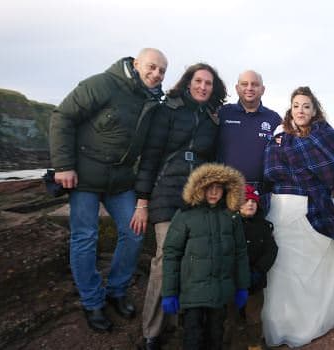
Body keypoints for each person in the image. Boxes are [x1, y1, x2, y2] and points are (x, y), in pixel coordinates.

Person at [49, 48, 168, 332]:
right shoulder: (102, 83)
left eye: (162, 70)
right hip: (85, 178)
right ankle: (92, 302)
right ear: (136, 64)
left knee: (133, 232)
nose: (156, 74)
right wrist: (63, 165)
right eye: (151, 67)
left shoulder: (153, 101)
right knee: (85, 237)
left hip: (121, 181)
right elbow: (62, 117)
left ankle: (116, 290)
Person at [261, 86, 334, 347]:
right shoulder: (278, 139)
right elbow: (271, 172)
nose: (300, 110)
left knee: (321, 263)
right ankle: (287, 320)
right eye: (296, 106)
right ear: (290, 110)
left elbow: (332, 171)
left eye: (306, 106)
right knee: (286, 268)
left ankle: (321, 314)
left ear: (314, 111)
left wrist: (297, 171)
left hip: (316, 204)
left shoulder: (327, 136)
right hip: (284, 209)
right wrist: (301, 173)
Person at [130, 62, 226, 349]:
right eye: (198, 81)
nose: (202, 87)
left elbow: (213, 161)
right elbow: (150, 157)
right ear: (188, 82)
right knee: (164, 260)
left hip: (197, 194)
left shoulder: (212, 119)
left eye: (208, 83)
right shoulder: (167, 109)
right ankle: (152, 332)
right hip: (166, 191)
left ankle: (183, 325)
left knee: (194, 260)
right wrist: (142, 202)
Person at [160, 163, 250, 350]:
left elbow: (240, 252)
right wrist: (169, 292)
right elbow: (171, 253)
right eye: (209, 187)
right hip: (192, 291)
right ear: (200, 188)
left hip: (221, 291)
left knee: (216, 336)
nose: (214, 192)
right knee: (193, 337)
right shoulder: (185, 215)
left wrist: (243, 286)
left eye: (218, 188)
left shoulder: (231, 216)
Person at [217, 70, 281, 194]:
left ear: (262, 89)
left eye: (255, 84)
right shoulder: (223, 113)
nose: (249, 88)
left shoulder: (274, 119)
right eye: (244, 84)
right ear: (237, 88)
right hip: (226, 189)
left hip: (261, 192)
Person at [238, 184, 278, 349]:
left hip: (256, 282)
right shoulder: (232, 225)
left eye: (253, 201)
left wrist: (259, 270)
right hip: (234, 281)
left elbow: (271, 250)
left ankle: (254, 345)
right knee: (232, 318)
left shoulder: (264, 226)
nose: (250, 204)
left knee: (254, 317)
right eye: (246, 201)